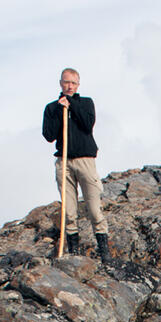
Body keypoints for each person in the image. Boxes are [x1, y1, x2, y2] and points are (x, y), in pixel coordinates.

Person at [42, 68, 110, 260]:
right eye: (66, 82)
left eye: (73, 83)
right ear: (60, 83)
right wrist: (58, 109)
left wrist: (71, 104)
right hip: (64, 162)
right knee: (69, 211)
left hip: (85, 160)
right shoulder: (52, 108)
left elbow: (87, 124)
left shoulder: (86, 103)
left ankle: (104, 252)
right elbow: (49, 135)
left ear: (78, 84)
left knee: (94, 208)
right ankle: (73, 254)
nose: (69, 86)